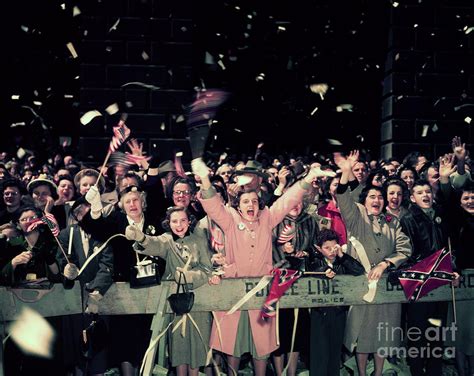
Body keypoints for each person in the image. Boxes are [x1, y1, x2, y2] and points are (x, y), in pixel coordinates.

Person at [193, 157, 327, 376]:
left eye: (255, 202)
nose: (251, 206)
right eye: (246, 202)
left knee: (262, 347)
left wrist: (309, 177)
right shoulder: (230, 220)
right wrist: (206, 180)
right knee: (232, 345)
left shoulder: (267, 219)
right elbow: (213, 205)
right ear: (238, 204)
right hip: (235, 290)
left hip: (264, 290)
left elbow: (287, 200)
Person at [334, 151, 411, 376]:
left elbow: (404, 248)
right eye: (372, 197)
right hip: (363, 285)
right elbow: (343, 198)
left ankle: (377, 372)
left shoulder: (393, 222)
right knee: (363, 335)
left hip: (386, 286)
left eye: (380, 198)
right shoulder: (356, 217)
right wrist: (347, 171)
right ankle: (360, 372)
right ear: (364, 201)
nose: (376, 201)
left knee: (383, 334)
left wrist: (386, 263)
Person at [81, 185, 165, 376]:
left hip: (151, 288)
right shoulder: (116, 221)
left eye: (136, 200)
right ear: (122, 205)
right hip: (124, 290)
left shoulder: (154, 222)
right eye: (128, 201)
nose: (132, 204)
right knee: (124, 339)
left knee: (145, 337)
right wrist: (94, 208)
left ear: (142, 203)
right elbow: (93, 228)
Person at [125, 206, 215, 376]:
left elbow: (207, 269)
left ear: (189, 222)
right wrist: (141, 237)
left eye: (183, 220)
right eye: (174, 221)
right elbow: (154, 244)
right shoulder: (167, 240)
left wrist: (191, 276)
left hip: (198, 303)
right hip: (176, 304)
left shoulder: (199, 240)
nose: (179, 225)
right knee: (178, 346)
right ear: (169, 223)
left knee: (197, 345)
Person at [400, 157, 457, 376]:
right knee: (417, 333)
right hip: (420, 285)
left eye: (428, 192)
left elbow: (451, 246)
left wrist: (453, 266)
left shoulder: (441, 215)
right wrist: (428, 268)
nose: (425, 195)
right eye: (420, 193)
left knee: (436, 332)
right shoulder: (408, 220)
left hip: (441, 283)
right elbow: (408, 254)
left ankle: (434, 371)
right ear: (412, 199)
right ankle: (416, 371)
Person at [57, 197, 114, 376]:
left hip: (98, 298)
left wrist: (96, 291)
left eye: (87, 211)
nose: (83, 215)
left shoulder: (104, 233)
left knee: (97, 344)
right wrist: (66, 271)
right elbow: (61, 259)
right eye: (78, 212)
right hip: (73, 298)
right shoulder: (67, 233)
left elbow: (108, 265)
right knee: (75, 347)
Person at [271, 200, 320, 376]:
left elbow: (317, 248)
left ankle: (291, 372)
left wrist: (306, 254)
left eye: (299, 202)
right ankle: (278, 372)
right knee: (279, 330)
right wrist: (281, 249)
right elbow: (264, 247)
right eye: (292, 201)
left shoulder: (310, 221)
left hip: (301, 281)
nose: (296, 205)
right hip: (278, 281)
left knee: (297, 330)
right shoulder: (274, 220)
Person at [309, 229, 365, 376]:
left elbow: (359, 270)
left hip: (339, 312)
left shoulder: (342, 261)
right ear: (318, 248)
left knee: (335, 352)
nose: (331, 251)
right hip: (319, 314)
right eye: (327, 248)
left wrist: (342, 255)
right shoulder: (315, 261)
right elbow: (313, 269)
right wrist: (324, 271)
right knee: (319, 353)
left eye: (334, 247)